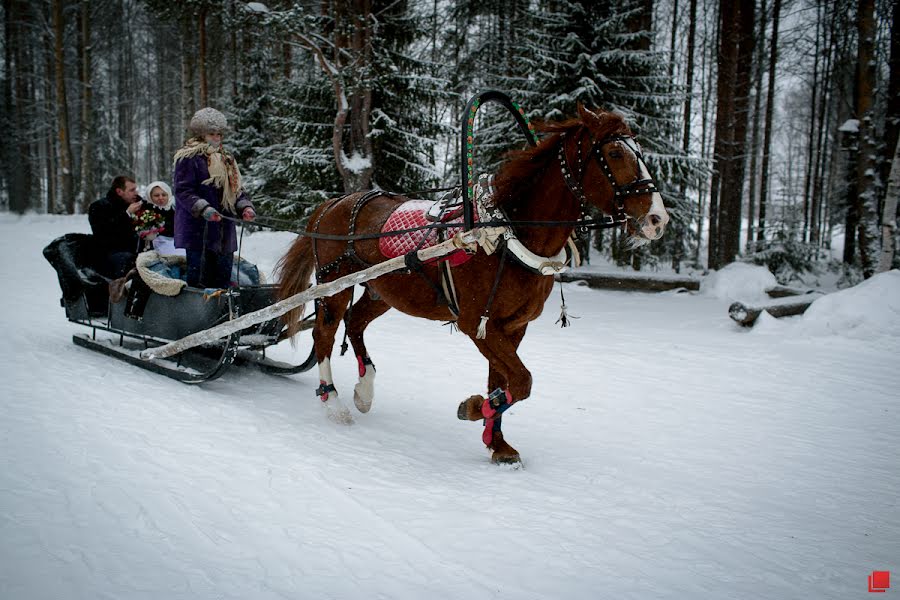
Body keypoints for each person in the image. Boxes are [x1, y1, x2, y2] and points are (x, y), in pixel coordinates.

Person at [173, 107, 256, 288]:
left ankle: (225, 314)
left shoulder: (227, 159)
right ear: (201, 134)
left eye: (219, 134)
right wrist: (204, 208)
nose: (217, 138)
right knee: (200, 281)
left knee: (223, 281)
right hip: (198, 230)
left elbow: (236, 189)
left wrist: (245, 207)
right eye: (212, 134)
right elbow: (183, 191)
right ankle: (198, 315)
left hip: (224, 231)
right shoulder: (188, 157)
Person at [88, 175, 142, 278]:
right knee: (128, 260)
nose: (136, 193)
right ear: (119, 191)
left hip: (139, 249)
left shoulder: (139, 204)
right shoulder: (99, 207)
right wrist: (127, 214)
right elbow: (103, 233)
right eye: (132, 190)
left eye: (136, 189)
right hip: (111, 253)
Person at [136, 180, 181, 255]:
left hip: (173, 246)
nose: (161, 198)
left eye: (164, 195)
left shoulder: (174, 208)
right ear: (150, 196)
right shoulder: (145, 209)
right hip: (151, 248)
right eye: (156, 195)